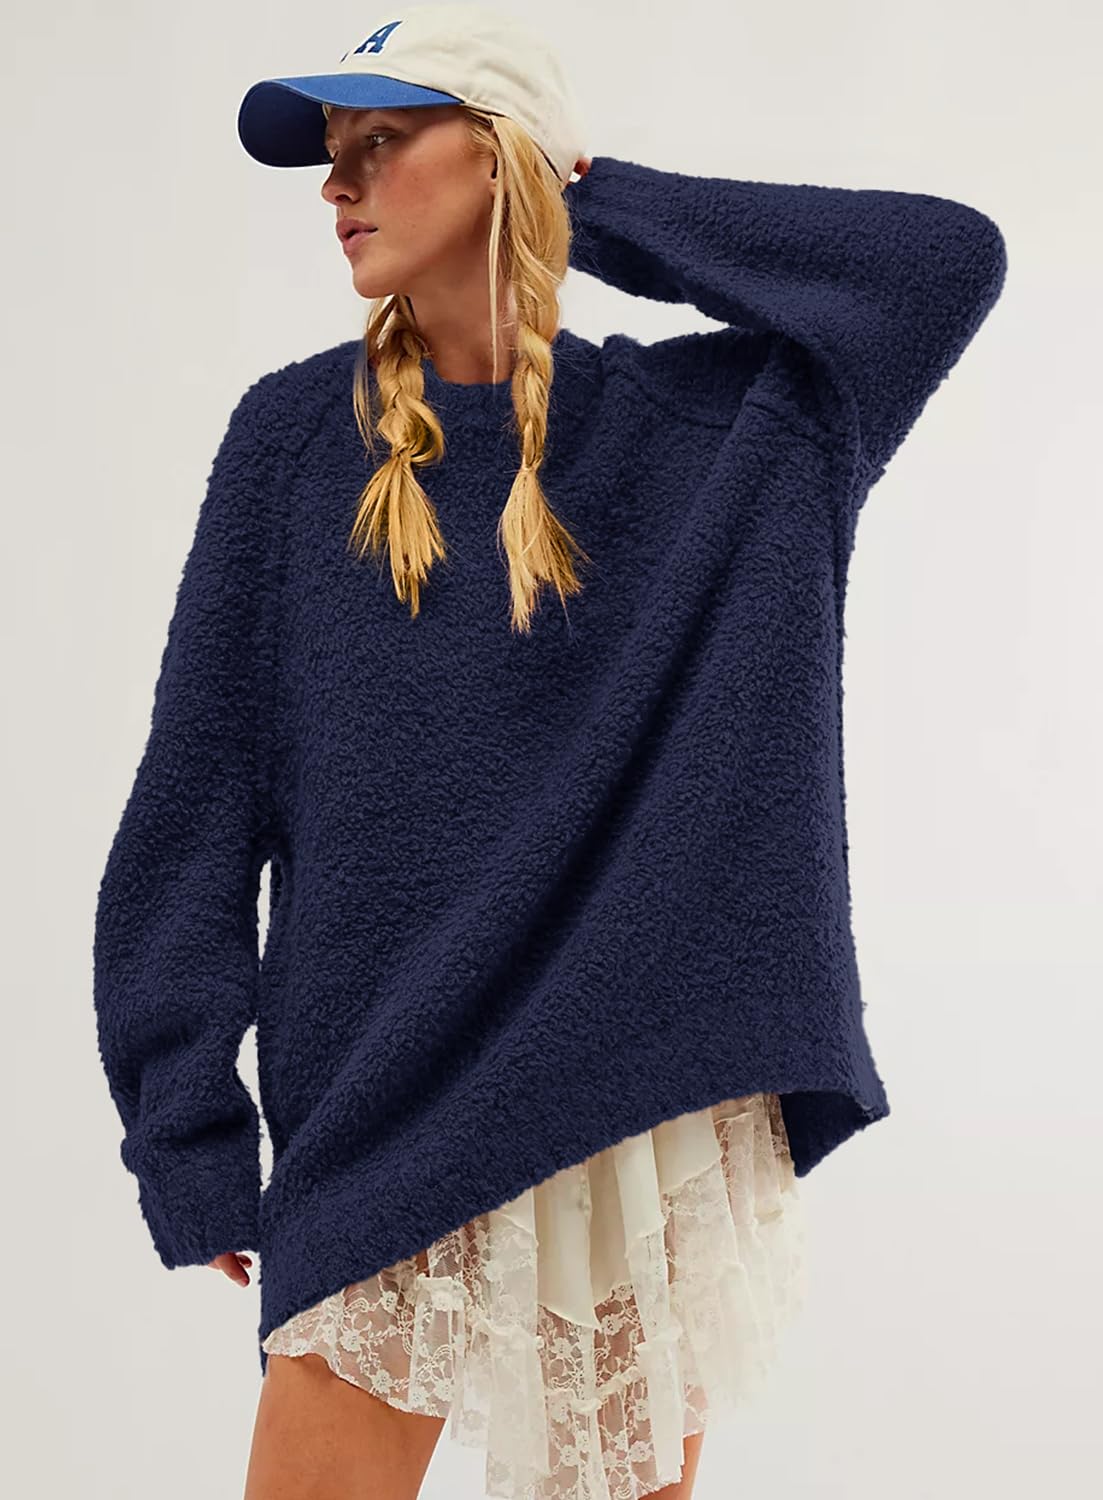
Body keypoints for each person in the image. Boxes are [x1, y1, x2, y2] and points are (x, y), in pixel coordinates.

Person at [92, 5, 1007, 1499]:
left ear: (500, 158)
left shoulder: (726, 433)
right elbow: (194, 807)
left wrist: (594, 200)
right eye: (332, 154)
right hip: (380, 1101)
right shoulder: (293, 446)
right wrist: (185, 1126)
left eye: (381, 143)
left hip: (624, 1089)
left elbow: (940, 265)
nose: (337, 184)